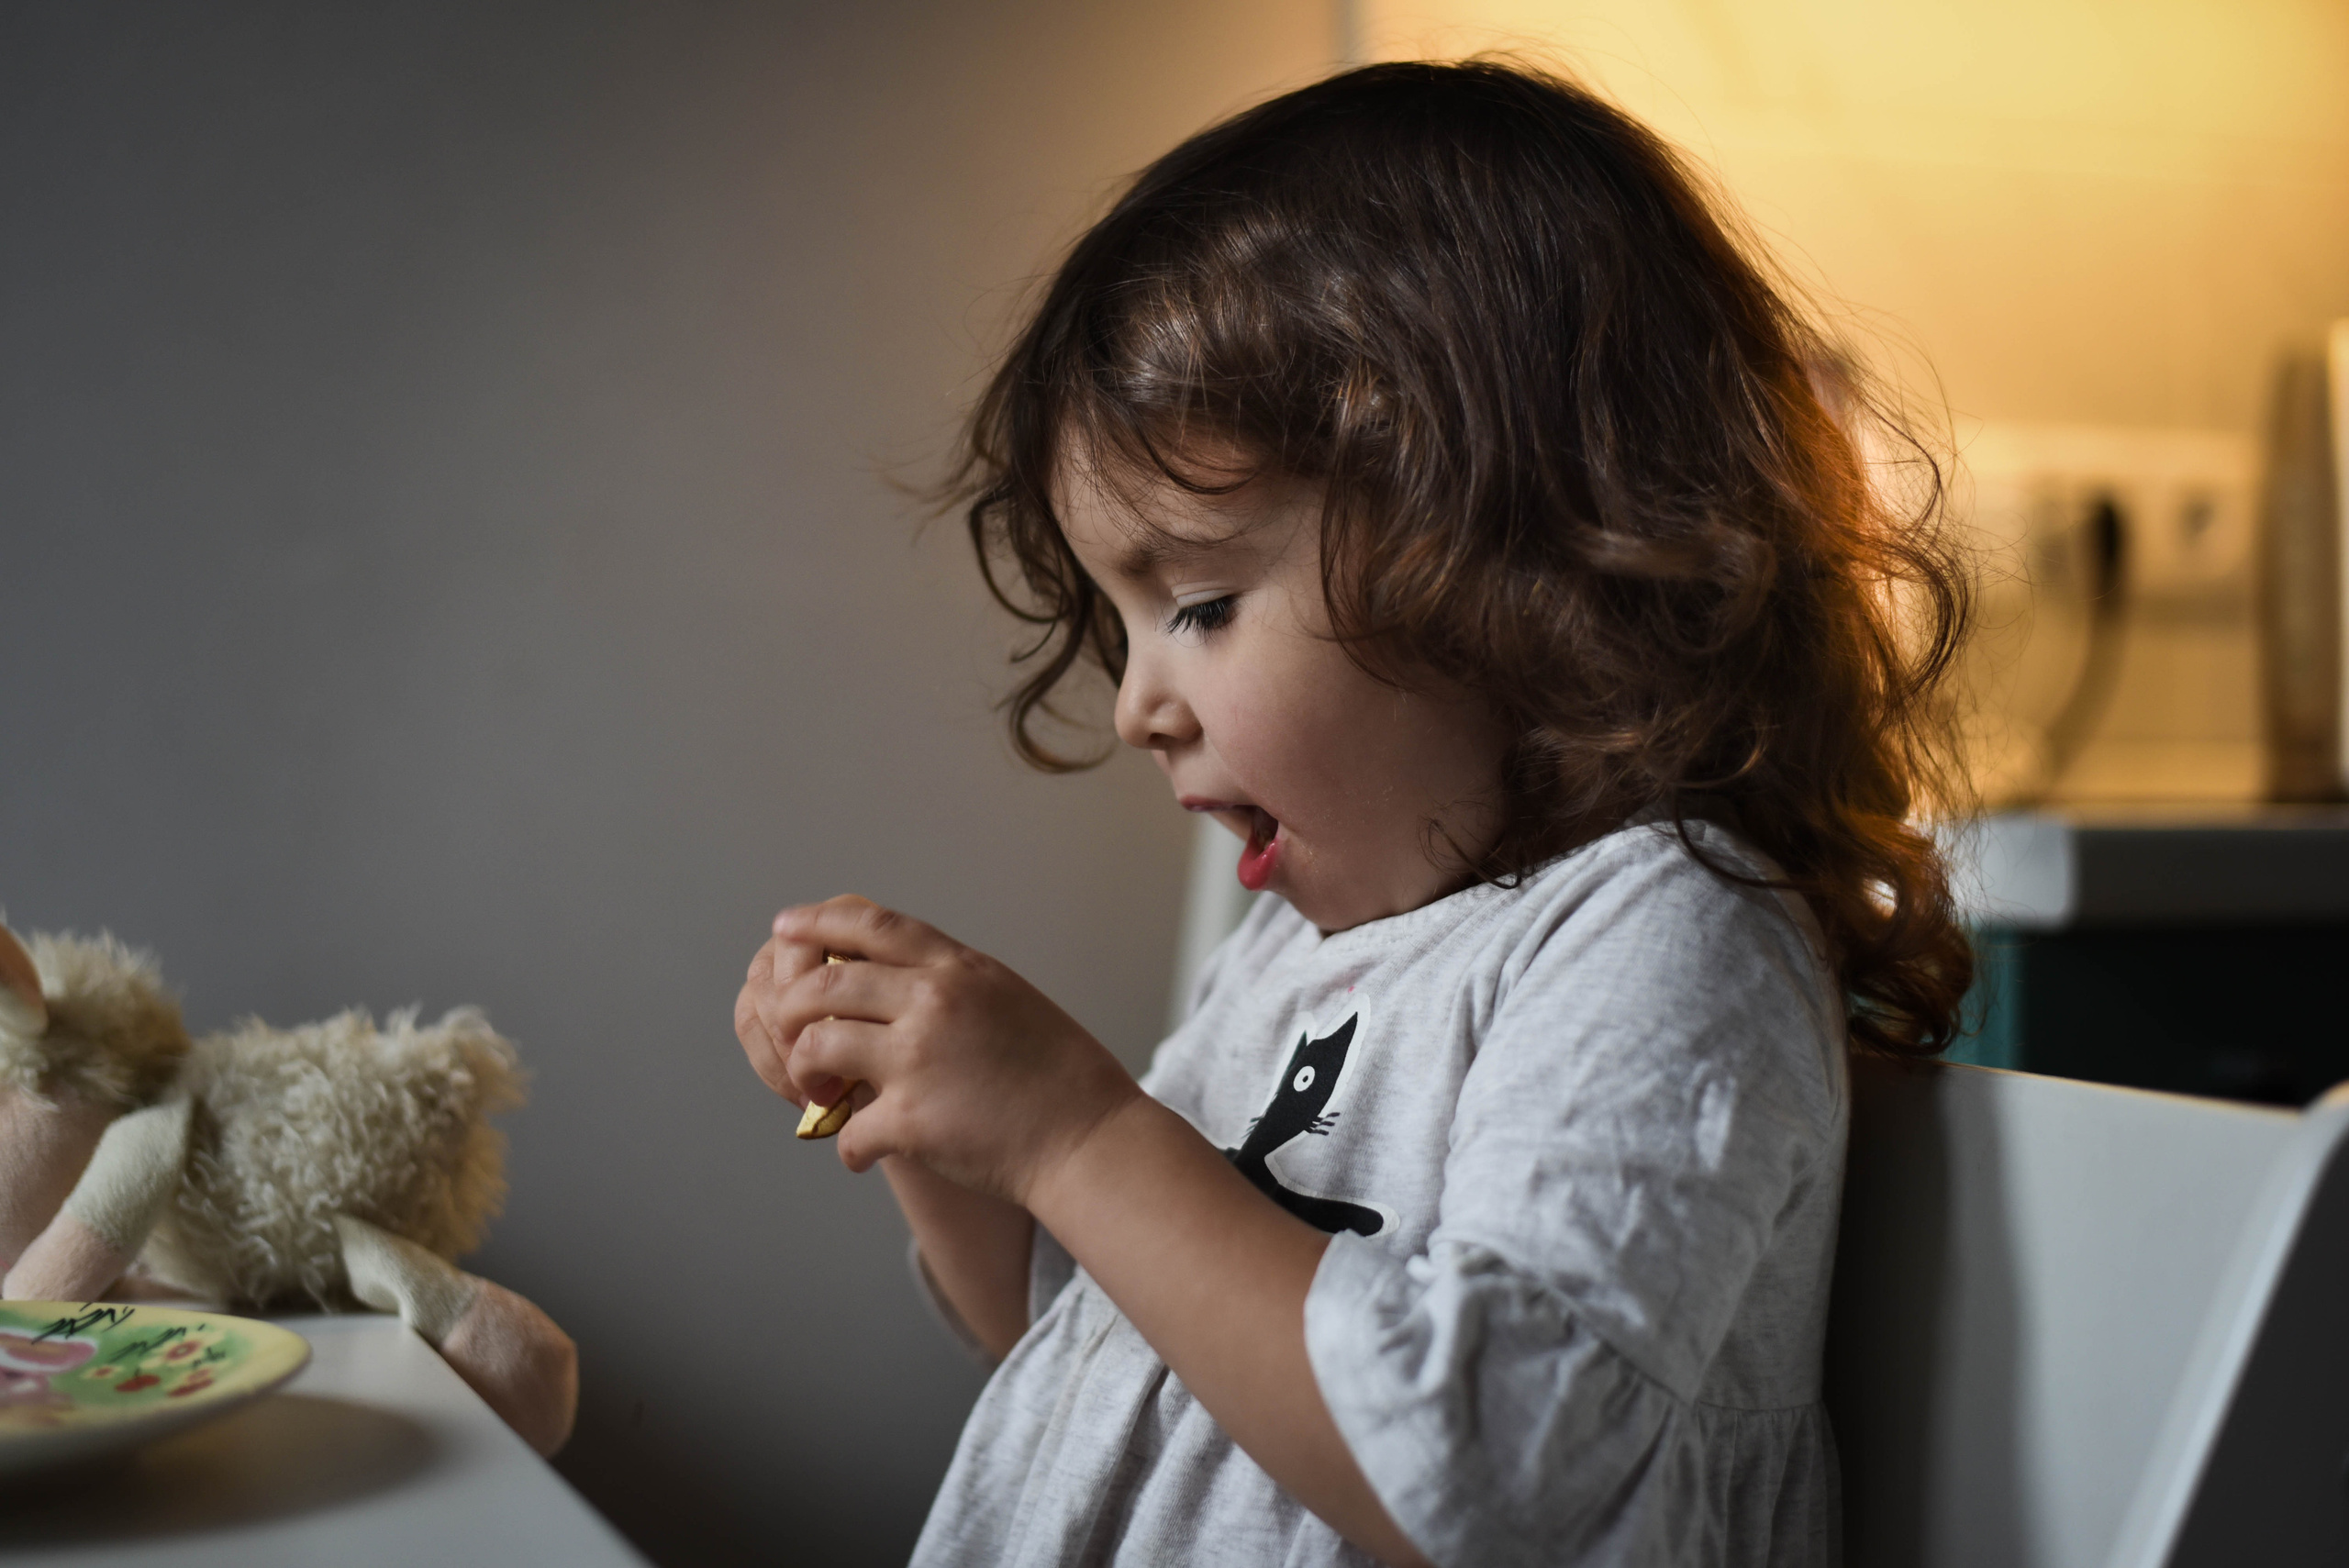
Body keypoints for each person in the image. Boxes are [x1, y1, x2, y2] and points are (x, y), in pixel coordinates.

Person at [734, 59, 1972, 1568]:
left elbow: (1501, 1478)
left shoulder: (1666, 938)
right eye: (1123, 626)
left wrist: (1074, 1133)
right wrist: (947, 1137)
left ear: (1517, 545)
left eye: (1195, 600)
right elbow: (1115, 1358)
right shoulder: (1292, 952)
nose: (1138, 703)